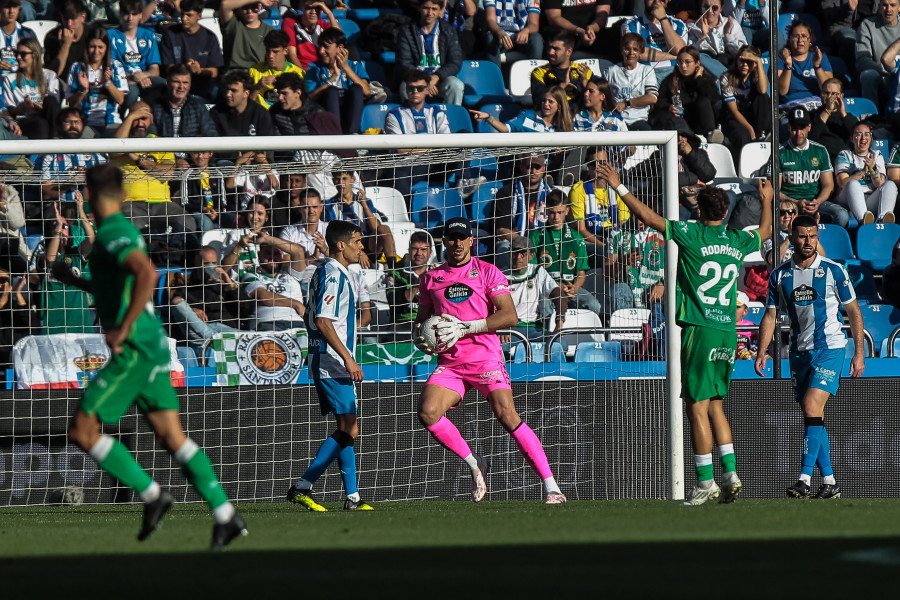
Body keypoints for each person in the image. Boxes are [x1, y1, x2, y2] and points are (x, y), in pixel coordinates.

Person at [55, 163, 247, 548]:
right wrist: (76, 280)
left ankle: (152, 494)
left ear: (89, 198)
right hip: (153, 344)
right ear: (123, 195)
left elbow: (148, 275)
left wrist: (122, 328)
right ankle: (226, 515)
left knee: (83, 430)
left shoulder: (111, 233)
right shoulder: (122, 232)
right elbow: (122, 284)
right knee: (172, 437)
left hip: (136, 347)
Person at [599, 160, 774, 506]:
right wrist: (766, 199)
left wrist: (619, 186)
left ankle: (705, 482)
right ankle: (730, 474)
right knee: (716, 406)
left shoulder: (691, 234)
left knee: (695, 407)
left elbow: (649, 219)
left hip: (700, 329)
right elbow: (766, 231)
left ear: (700, 210)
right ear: (725, 212)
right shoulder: (738, 239)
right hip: (728, 331)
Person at [413, 216, 567, 504]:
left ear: (472, 240)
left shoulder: (488, 272)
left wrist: (465, 327)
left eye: (462, 238)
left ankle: (552, 487)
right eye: (451, 238)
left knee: (507, 416)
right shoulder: (431, 278)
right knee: (428, 412)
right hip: (451, 364)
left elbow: (509, 315)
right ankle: (475, 464)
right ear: (444, 241)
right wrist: (424, 340)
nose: (457, 243)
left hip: (485, 357)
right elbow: (422, 323)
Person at [755, 214, 866, 500]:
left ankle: (803, 479)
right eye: (802, 236)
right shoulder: (780, 274)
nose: (808, 241)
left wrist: (859, 353)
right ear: (791, 238)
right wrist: (762, 352)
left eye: (812, 236)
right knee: (813, 416)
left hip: (829, 348)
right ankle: (829, 482)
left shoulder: (833, 270)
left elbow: (853, 312)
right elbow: (770, 315)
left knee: (810, 404)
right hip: (799, 352)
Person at [287, 220, 373, 512]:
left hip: (329, 360)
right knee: (350, 429)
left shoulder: (332, 271)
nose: (361, 246)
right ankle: (303, 486)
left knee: (347, 428)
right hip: (332, 362)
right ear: (341, 245)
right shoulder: (334, 275)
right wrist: (348, 358)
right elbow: (323, 320)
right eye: (357, 241)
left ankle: (353, 497)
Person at [112, 102, 198, 235]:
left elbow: (167, 174)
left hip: (162, 203)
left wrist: (138, 159)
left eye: (144, 118)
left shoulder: (160, 143)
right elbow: (114, 148)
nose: (140, 123)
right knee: (133, 226)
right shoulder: (121, 140)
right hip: (130, 203)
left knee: (186, 222)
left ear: (151, 119)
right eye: (135, 118)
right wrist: (130, 117)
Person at [529, 190, 603, 317]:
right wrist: (558, 286)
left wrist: (575, 287)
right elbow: (533, 271)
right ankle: (547, 336)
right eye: (552, 212)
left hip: (571, 289)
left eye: (560, 212)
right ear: (546, 211)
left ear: (567, 211)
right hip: (547, 289)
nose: (556, 217)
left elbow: (581, 272)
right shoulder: (536, 236)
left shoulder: (577, 238)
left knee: (593, 305)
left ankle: (584, 336)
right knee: (545, 305)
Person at [779, 106, 847, 228]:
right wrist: (795, 202)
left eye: (802, 128)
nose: (799, 133)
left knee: (842, 215)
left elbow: (828, 185)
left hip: (815, 202)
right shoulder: (779, 153)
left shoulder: (820, 150)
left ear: (809, 127)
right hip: (790, 205)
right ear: (789, 127)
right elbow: (774, 191)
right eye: (795, 128)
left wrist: (818, 201)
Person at [395, 0, 464, 105]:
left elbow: (456, 62)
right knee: (405, 86)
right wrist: (424, 81)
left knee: (455, 85)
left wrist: (436, 77)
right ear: (419, 8)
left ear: (441, 10)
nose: (429, 13)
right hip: (415, 78)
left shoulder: (448, 31)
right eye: (426, 8)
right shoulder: (406, 31)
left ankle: (451, 118)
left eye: (434, 9)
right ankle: (411, 119)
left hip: (439, 79)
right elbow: (404, 63)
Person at [503, 235, 566, 348]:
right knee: (501, 347)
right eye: (514, 252)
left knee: (560, 344)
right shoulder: (500, 274)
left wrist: (559, 322)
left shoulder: (537, 271)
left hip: (534, 329)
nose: (518, 257)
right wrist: (501, 328)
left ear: (531, 255)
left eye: (523, 253)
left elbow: (558, 294)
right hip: (510, 329)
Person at [325, 169, 396, 269]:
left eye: (344, 179)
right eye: (337, 179)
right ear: (333, 181)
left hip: (369, 243)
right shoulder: (329, 206)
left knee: (384, 229)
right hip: (346, 245)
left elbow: (376, 227)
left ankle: (393, 269)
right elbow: (334, 235)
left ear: (353, 179)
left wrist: (364, 205)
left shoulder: (365, 201)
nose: (341, 183)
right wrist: (359, 251)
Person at [65, 24, 129, 137]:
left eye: (100, 47)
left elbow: (121, 100)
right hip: (86, 124)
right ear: (86, 47)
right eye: (92, 46)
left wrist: (108, 83)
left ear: (106, 48)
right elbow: (70, 104)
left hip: (111, 122)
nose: (96, 51)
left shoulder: (115, 66)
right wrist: (83, 89)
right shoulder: (77, 67)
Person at [304, 28, 370, 134]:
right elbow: (310, 97)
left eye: (326, 47)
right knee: (332, 91)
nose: (321, 51)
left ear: (340, 48)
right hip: (326, 110)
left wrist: (346, 67)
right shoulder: (314, 68)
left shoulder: (355, 65)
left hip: (349, 110)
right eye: (320, 46)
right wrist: (330, 80)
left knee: (357, 89)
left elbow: (366, 91)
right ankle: (335, 135)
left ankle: (353, 135)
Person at [651, 45, 723, 142]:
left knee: (703, 101)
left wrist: (699, 79)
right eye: (680, 62)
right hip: (680, 123)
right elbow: (659, 102)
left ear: (697, 63)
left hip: (699, 122)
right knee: (664, 116)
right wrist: (669, 107)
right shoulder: (670, 80)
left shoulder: (705, 80)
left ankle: (710, 134)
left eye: (687, 62)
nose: (683, 66)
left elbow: (714, 98)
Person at [36, 108, 108, 203]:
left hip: (92, 208)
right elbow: (45, 193)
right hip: (61, 208)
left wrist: (88, 176)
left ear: (83, 124)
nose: (73, 125)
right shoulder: (48, 155)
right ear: (59, 125)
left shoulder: (97, 154)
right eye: (67, 122)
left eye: (77, 122)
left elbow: (108, 187)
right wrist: (69, 181)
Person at [159, 0, 224, 103]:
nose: (184, 19)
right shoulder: (170, 34)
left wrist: (199, 71)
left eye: (189, 15)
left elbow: (214, 72)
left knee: (219, 93)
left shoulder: (209, 37)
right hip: (178, 82)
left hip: (203, 83)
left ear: (199, 16)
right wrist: (186, 68)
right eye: (182, 14)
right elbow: (169, 68)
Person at [568, 146, 631, 249]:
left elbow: (623, 222)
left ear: (609, 164)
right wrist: (605, 246)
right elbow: (582, 230)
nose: (598, 167)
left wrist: (613, 245)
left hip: (615, 237)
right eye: (593, 164)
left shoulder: (617, 187)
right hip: (591, 241)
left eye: (602, 163)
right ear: (588, 166)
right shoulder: (578, 189)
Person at [834, 121, 897, 225]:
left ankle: (883, 219)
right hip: (848, 199)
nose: (863, 138)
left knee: (890, 184)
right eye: (859, 134)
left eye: (867, 134)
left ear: (871, 138)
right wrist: (863, 172)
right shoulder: (844, 155)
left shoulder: (876, 155)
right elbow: (842, 184)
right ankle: (864, 220)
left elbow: (880, 184)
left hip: (870, 198)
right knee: (853, 184)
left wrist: (873, 169)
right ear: (852, 138)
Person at [240, 234, 307, 331]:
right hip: (268, 324)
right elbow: (265, 297)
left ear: (282, 256)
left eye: (276, 253)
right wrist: (296, 304)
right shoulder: (250, 276)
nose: (272, 257)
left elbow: (298, 252)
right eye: (267, 252)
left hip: (298, 324)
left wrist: (267, 238)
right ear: (259, 255)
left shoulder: (292, 276)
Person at [210, 69, 277, 164]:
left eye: (234, 91)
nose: (228, 94)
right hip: (227, 165)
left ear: (246, 93)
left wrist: (251, 157)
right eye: (227, 89)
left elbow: (267, 149)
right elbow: (214, 147)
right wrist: (239, 159)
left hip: (256, 164)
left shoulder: (261, 114)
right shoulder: (216, 113)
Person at [1, 39, 61, 140]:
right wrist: (24, 107)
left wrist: (35, 106)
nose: (18, 58)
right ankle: (44, 155)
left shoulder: (50, 75)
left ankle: (56, 140)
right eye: (17, 54)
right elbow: (11, 111)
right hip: (25, 120)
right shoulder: (10, 79)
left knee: (50, 101)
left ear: (35, 55)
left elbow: (54, 106)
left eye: (23, 54)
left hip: (47, 117)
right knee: (40, 124)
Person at [109, 0, 165, 108]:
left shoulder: (148, 36)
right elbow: (111, 69)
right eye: (126, 14)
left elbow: (155, 70)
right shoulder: (111, 36)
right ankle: (124, 121)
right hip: (123, 79)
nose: (130, 18)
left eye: (134, 14)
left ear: (140, 15)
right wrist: (132, 76)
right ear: (120, 14)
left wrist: (144, 75)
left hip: (145, 78)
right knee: (132, 92)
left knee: (165, 84)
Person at [149, 64, 218, 148]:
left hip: (192, 158)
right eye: (176, 82)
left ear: (190, 85)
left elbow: (210, 135)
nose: (181, 87)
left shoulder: (198, 107)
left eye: (185, 82)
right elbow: (151, 139)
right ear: (167, 82)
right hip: (163, 157)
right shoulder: (155, 108)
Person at [719, 44, 770, 152]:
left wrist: (758, 62)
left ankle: (762, 133)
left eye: (749, 61)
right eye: (742, 60)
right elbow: (734, 111)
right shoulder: (727, 78)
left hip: (752, 115)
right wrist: (750, 129)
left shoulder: (756, 76)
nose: (745, 64)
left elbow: (763, 90)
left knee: (763, 97)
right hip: (735, 118)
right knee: (742, 136)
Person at [604, 33, 659, 131]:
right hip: (615, 120)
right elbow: (602, 93)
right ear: (621, 50)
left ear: (640, 53)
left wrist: (627, 103)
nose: (631, 53)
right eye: (627, 49)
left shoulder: (647, 70)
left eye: (635, 49)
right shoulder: (610, 71)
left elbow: (652, 97)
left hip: (639, 121)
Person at [529, 30, 592, 111]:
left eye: (556, 49)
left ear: (569, 51)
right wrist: (562, 86)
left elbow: (596, 101)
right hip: (554, 116)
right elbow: (539, 104)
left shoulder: (584, 71)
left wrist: (584, 83)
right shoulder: (539, 72)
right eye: (549, 47)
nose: (550, 52)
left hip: (580, 116)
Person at [777, 21, 833, 110]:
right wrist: (788, 65)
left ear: (810, 39)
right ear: (790, 39)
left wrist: (817, 66)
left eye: (804, 36)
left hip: (817, 107)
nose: (800, 40)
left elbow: (829, 90)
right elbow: (782, 91)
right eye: (795, 36)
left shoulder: (820, 57)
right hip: (791, 109)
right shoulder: (781, 59)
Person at [470, 85, 573, 133]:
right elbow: (505, 129)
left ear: (559, 107)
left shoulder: (563, 126)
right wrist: (489, 117)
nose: (546, 104)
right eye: (543, 100)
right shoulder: (527, 116)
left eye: (550, 102)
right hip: (530, 165)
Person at [856, 0, 900, 110]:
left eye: (893, 5)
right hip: (881, 75)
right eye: (884, 5)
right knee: (868, 75)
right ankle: (870, 118)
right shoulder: (867, 25)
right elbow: (862, 61)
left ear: (899, 8)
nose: (888, 9)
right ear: (879, 7)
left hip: (899, 75)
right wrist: (882, 69)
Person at [386, 230, 434, 324]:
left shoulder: (436, 274)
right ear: (409, 250)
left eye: (423, 249)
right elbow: (394, 302)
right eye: (415, 249)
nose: (418, 253)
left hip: (429, 324)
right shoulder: (396, 273)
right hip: (402, 323)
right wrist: (418, 285)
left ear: (430, 252)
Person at [249, 29, 305, 110]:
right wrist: (258, 87)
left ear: (285, 51)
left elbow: (301, 104)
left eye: (275, 52)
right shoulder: (255, 70)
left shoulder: (297, 73)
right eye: (268, 51)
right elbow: (246, 106)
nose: (270, 56)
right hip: (261, 117)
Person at [687, 0, 746, 71]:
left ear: (721, 8)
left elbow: (744, 52)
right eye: (706, 7)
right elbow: (688, 55)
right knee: (701, 57)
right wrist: (702, 37)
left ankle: (724, 77)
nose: (710, 11)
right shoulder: (692, 27)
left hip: (729, 65)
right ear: (701, 7)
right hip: (704, 67)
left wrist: (727, 34)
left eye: (714, 8)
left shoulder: (732, 24)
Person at [809, 78, 858, 161]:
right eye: (826, 93)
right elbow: (811, 137)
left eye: (834, 94)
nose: (829, 97)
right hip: (820, 159)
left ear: (841, 96)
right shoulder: (813, 115)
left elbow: (857, 135)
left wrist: (843, 114)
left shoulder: (847, 117)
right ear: (821, 94)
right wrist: (828, 110)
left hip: (843, 160)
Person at [282, 0, 339, 70]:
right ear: (301, 7)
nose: (313, 12)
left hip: (322, 70)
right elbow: (292, 55)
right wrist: (303, 74)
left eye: (318, 8)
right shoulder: (290, 22)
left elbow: (339, 40)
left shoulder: (324, 25)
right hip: (301, 70)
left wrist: (329, 13)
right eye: (308, 8)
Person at [219, 0, 275, 71]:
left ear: (260, 7)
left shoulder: (269, 30)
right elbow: (224, 5)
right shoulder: (233, 24)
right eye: (245, 8)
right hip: (236, 71)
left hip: (259, 71)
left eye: (254, 7)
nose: (249, 11)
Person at [483, 0, 543, 65]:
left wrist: (526, 31)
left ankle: (535, 72)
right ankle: (495, 74)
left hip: (522, 38)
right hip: (500, 36)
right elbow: (490, 20)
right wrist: (500, 33)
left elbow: (534, 24)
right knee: (490, 37)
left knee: (536, 38)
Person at [44, 0, 88, 80]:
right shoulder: (52, 37)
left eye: (73, 18)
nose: (69, 24)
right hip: (60, 84)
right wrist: (65, 46)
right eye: (65, 18)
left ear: (83, 17)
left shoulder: (92, 35)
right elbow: (51, 74)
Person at [0, 0, 35, 75]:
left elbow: (36, 62)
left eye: (15, 7)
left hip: (21, 80)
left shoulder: (27, 34)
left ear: (19, 8)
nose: (11, 11)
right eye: (7, 7)